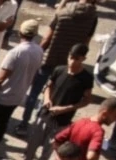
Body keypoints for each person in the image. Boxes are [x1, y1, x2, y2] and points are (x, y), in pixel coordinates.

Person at [20, 0, 98, 128]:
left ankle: (24, 125)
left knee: (35, 92)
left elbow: (47, 38)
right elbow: (85, 43)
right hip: (68, 65)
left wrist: (38, 54)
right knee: (53, 96)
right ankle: (40, 124)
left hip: (50, 58)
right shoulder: (92, 18)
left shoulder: (63, 12)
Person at [21, 43, 92, 160]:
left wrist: (66, 108)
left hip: (61, 122)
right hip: (44, 116)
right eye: (70, 57)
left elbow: (87, 100)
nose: (72, 61)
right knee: (31, 147)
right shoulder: (59, 70)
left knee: (47, 152)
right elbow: (49, 86)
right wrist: (47, 99)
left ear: (83, 59)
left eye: (76, 59)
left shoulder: (86, 78)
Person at [0, 19, 43, 160]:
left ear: (20, 32)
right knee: (2, 124)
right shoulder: (39, 50)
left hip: (3, 96)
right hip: (18, 96)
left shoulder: (15, 52)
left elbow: (1, 78)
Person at [52, 98, 116, 160]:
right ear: (104, 114)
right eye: (115, 116)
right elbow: (91, 157)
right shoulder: (98, 131)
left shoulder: (80, 122)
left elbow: (56, 141)